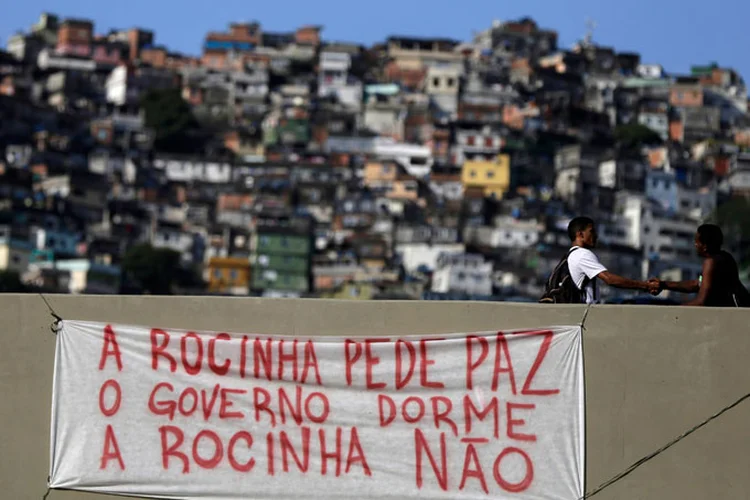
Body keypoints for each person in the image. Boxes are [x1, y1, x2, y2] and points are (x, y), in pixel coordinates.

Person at [651, 224, 750, 307]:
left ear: (705, 246)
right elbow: (697, 284)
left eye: (697, 242)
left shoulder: (710, 262)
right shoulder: (725, 257)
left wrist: (673, 311)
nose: (695, 245)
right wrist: (663, 284)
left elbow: (701, 301)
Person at [567, 216, 659, 303]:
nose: (596, 235)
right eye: (592, 231)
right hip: (587, 313)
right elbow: (609, 279)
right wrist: (645, 286)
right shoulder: (583, 254)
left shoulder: (571, 255)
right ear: (580, 234)